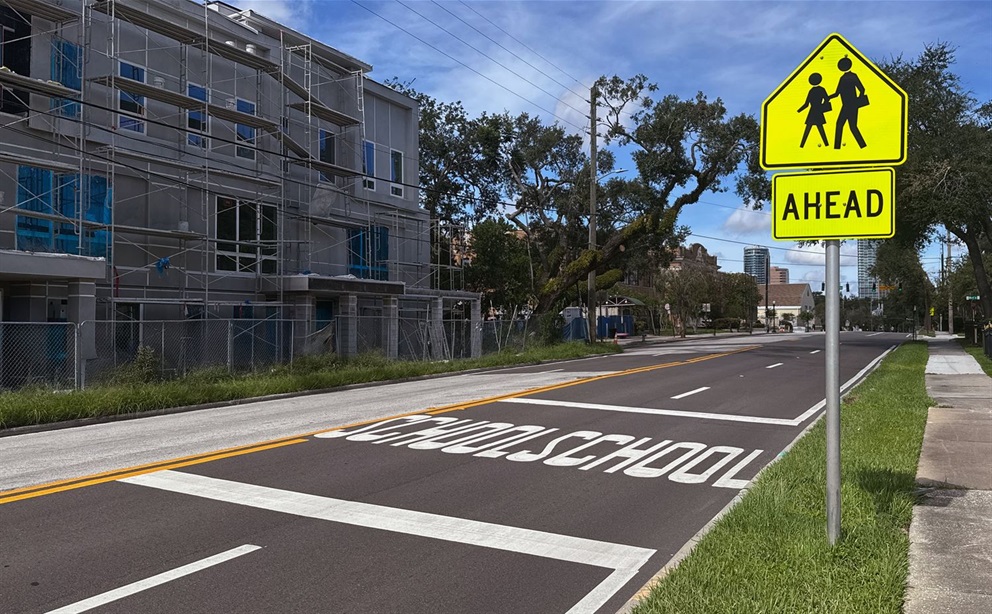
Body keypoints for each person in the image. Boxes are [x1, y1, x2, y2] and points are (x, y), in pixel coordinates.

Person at [829, 57, 868, 149]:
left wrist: (857, 101)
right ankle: (861, 146)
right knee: (848, 126)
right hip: (847, 105)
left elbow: (862, 89)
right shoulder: (844, 78)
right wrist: (828, 97)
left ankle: (838, 147)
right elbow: (838, 93)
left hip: (850, 105)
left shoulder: (851, 76)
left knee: (845, 125)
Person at [797, 72, 830, 147]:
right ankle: (826, 144)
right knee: (820, 128)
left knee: (808, 129)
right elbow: (827, 99)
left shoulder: (811, 91)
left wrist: (799, 110)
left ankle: (802, 145)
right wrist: (822, 106)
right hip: (818, 111)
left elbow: (806, 104)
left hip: (812, 112)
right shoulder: (821, 89)